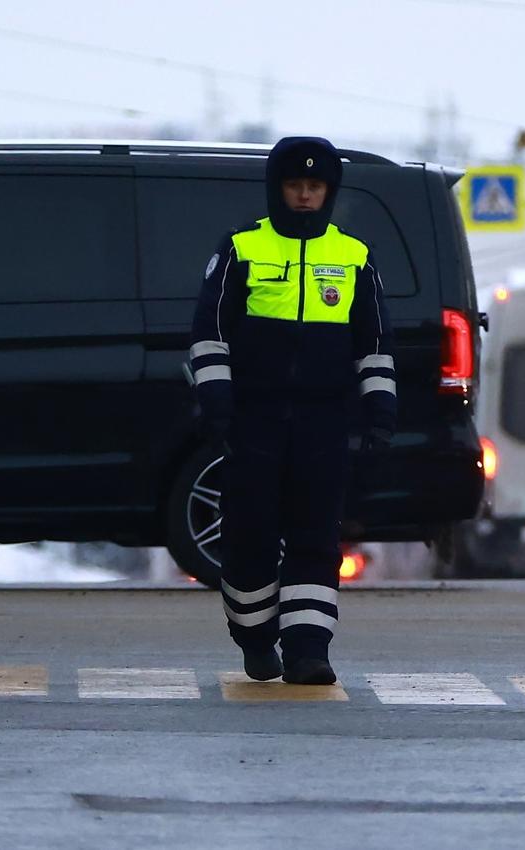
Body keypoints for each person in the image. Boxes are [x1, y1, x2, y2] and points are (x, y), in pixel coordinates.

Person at [189, 136, 397, 685]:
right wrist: (217, 405)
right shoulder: (241, 248)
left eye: (315, 186)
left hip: (323, 423)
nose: (305, 195)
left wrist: (379, 411)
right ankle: (255, 637)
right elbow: (210, 335)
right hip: (253, 420)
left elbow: (374, 343)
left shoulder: (353, 256)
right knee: (249, 536)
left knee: (316, 536)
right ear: (276, 188)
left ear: (329, 191)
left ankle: (309, 651)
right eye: (294, 185)